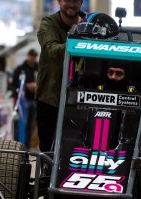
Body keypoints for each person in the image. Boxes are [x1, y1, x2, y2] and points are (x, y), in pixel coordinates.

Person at [35, 0, 85, 152]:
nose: (71, 4)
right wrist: (82, 44)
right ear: (59, 1)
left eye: (75, 1)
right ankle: (46, 174)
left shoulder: (91, 24)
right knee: (47, 146)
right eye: (67, 0)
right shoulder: (48, 23)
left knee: (79, 146)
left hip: (82, 100)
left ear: (81, 2)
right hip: (51, 98)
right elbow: (51, 50)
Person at [12, 48, 39, 149]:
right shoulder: (20, 69)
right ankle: (17, 144)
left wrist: (36, 86)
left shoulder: (38, 68)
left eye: (34, 56)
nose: (32, 58)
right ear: (28, 56)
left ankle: (26, 146)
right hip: (23, 100)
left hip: (34, 99)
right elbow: (13, 84)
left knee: (30, 125)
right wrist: (26, 86)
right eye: (31, 56)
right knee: (21, 123)